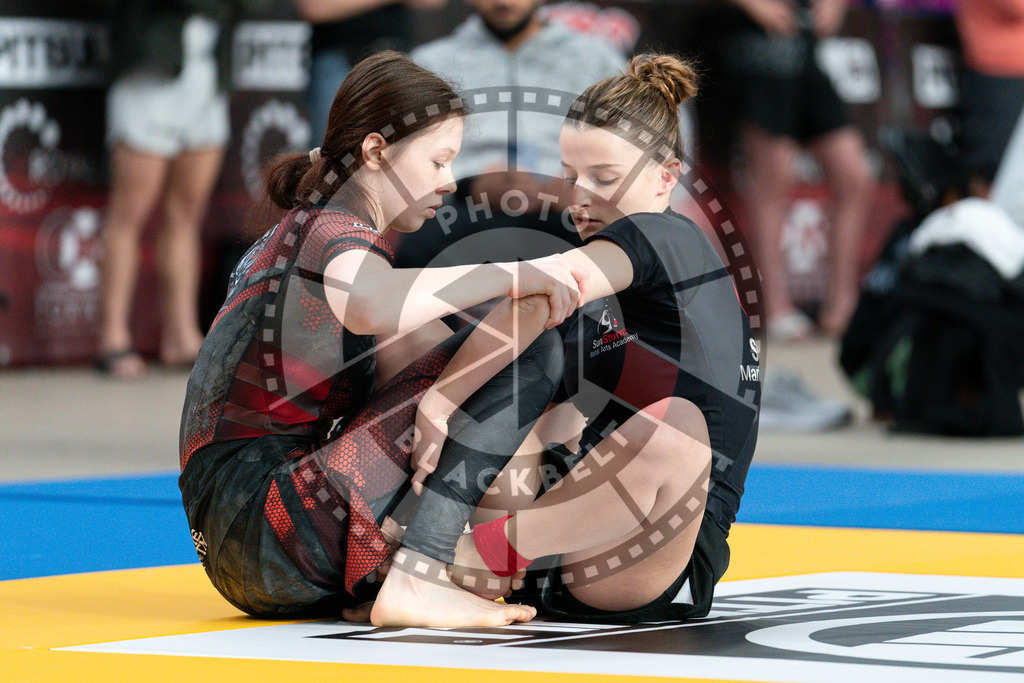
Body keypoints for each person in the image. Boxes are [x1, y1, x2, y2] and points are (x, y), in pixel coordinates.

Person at [178, 51, 589, 627]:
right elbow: (371, 304)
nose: (450, 181)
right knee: (529, 352)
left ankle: (425, 566)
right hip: (265, 530)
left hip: (249, 544)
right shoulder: (330, 229)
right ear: (376, 151)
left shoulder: (309, 228)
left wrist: (451, 398)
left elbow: (417, 344)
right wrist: (513, 274)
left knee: (486, 350)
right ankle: (420, 575)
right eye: (439, 160)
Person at [372, 54, 760, 623]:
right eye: (570, 175)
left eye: (604, 178)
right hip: (549, 540)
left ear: (666, 177)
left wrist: (441, 400)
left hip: (646, 554)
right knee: (450, 344)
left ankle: (450, 557)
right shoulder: (601, 294)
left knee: (676, 429)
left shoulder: (668, 237)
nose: (579, 196)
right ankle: (391, 542)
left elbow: (542, 288)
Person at [396, 0, 626, 269]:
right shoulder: (429, 62)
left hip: (569, 210)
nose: (503, 2)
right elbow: (408, 158)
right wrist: (467, 185)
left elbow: (632, 148)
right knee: (417, 247)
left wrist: (583, 183)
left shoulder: (598, 59)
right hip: (461, 210)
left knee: (619, 247)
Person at [719, 0, 876, 340]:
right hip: (756, 49)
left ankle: (842, 306)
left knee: (854, 176)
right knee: (774, 178)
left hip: (804, 50)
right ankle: (775, 308)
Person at [98, 0, 237, 377]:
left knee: (187, 215)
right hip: (150, 70)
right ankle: (112, 335)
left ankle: (181, 335)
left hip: (207, 73)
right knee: (130, 212)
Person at [292, 0, 448, 146]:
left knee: (399, 151)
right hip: (340, 62)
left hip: (396, 61)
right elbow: (313, 7)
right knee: (334, 155)